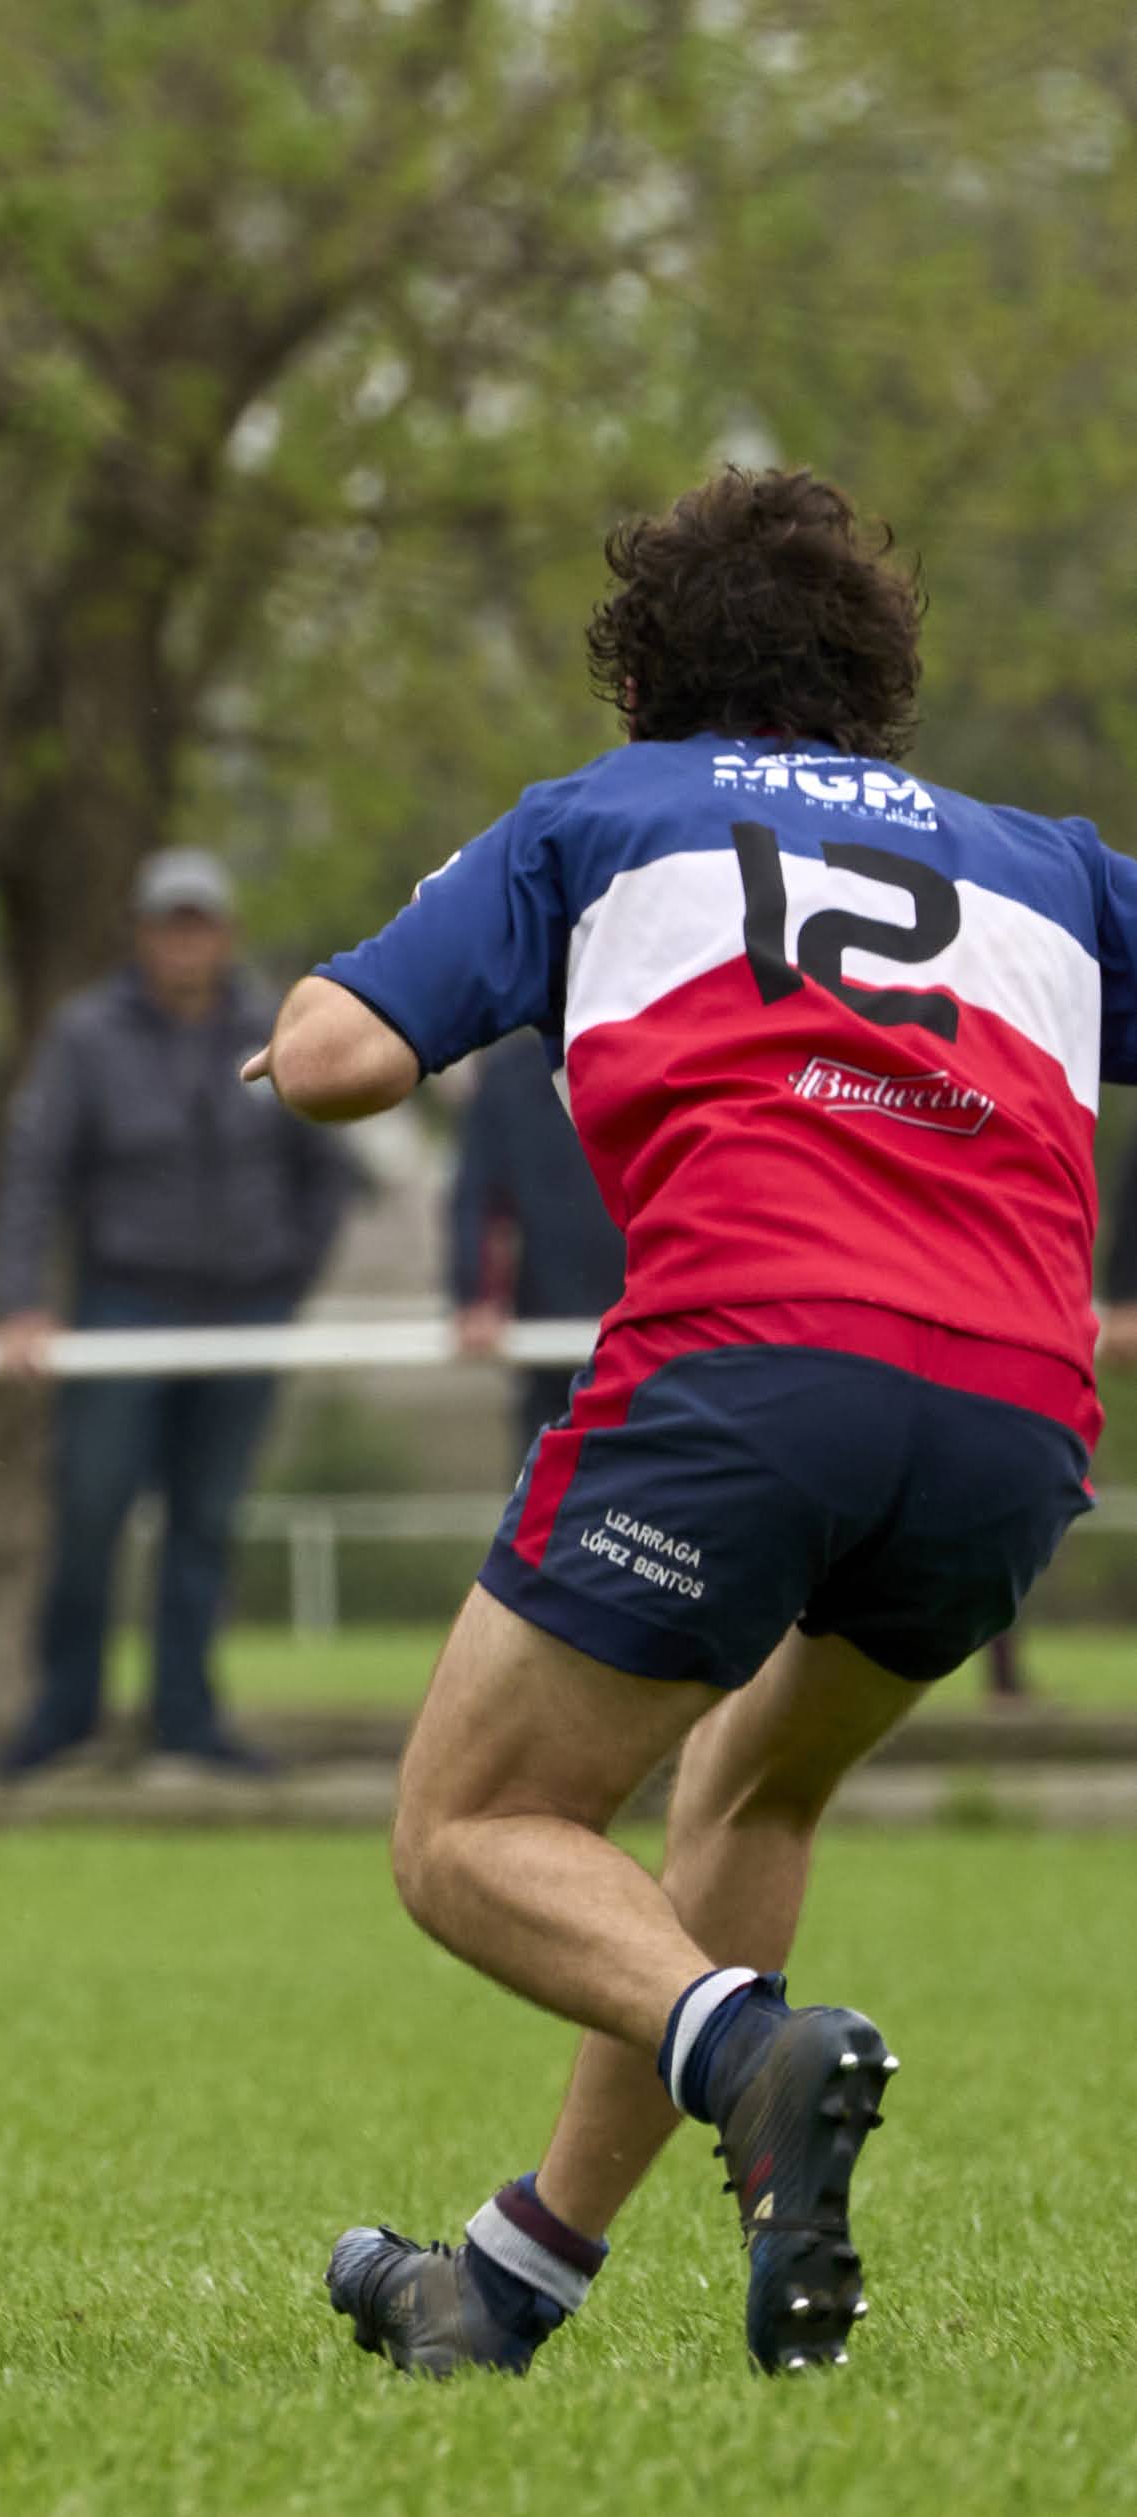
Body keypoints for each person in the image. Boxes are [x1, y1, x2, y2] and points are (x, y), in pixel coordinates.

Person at [272, 467, 1120, 2379]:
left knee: (466, 1825)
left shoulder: (601, 816)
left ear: (644, 672)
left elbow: (336, 1064)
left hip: (753, 1371)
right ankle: (509, 2279)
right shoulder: (1046, 861)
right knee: (751, 1783)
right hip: (1011, 1419)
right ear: (874, 678)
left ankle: (751, 2054)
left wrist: (298, 1015)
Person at [0, 850, 354, 1779]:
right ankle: (66, 1714)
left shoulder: (279, 1026)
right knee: (92, 1507)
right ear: (144, 935)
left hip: (246, 1312)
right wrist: (21, 1299)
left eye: (200, 924)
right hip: (125, 1305)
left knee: (207, 1520)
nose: (184, 942)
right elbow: (36, 1169)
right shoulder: (85, 1036)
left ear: (224, 934)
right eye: (168, 924)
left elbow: (328, 1169)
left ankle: (186, 1719)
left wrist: (285, 1280)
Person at [449, 1032, 629, 1469]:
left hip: (661, 1332)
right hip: (551, 1332)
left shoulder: (676, 1049)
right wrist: (477, 1296)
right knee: (548, 1496)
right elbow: (478, 1193)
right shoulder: (510, 1073)